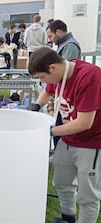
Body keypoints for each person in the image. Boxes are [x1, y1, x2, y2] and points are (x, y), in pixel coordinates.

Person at [28, 47, 101, 223]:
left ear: (52, 68)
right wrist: (35, 108)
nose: (41, 82)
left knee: (88, 194)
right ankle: (68, 219)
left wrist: (49, 131)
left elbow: (85, 122)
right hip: (68, 138)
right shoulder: (60, 74)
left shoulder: (89, 76)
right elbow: (48, 92)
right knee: (61, 181)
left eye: (41, 77)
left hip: (91, 142)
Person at [46, 19, 81, 149]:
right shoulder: (64, 45)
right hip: (62, 95)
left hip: (66, 97)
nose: (50, 39)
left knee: (61, 130)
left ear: (59, 32)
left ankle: (61, 152)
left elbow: (63, 73)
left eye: (51, 36)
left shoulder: (70, 46)